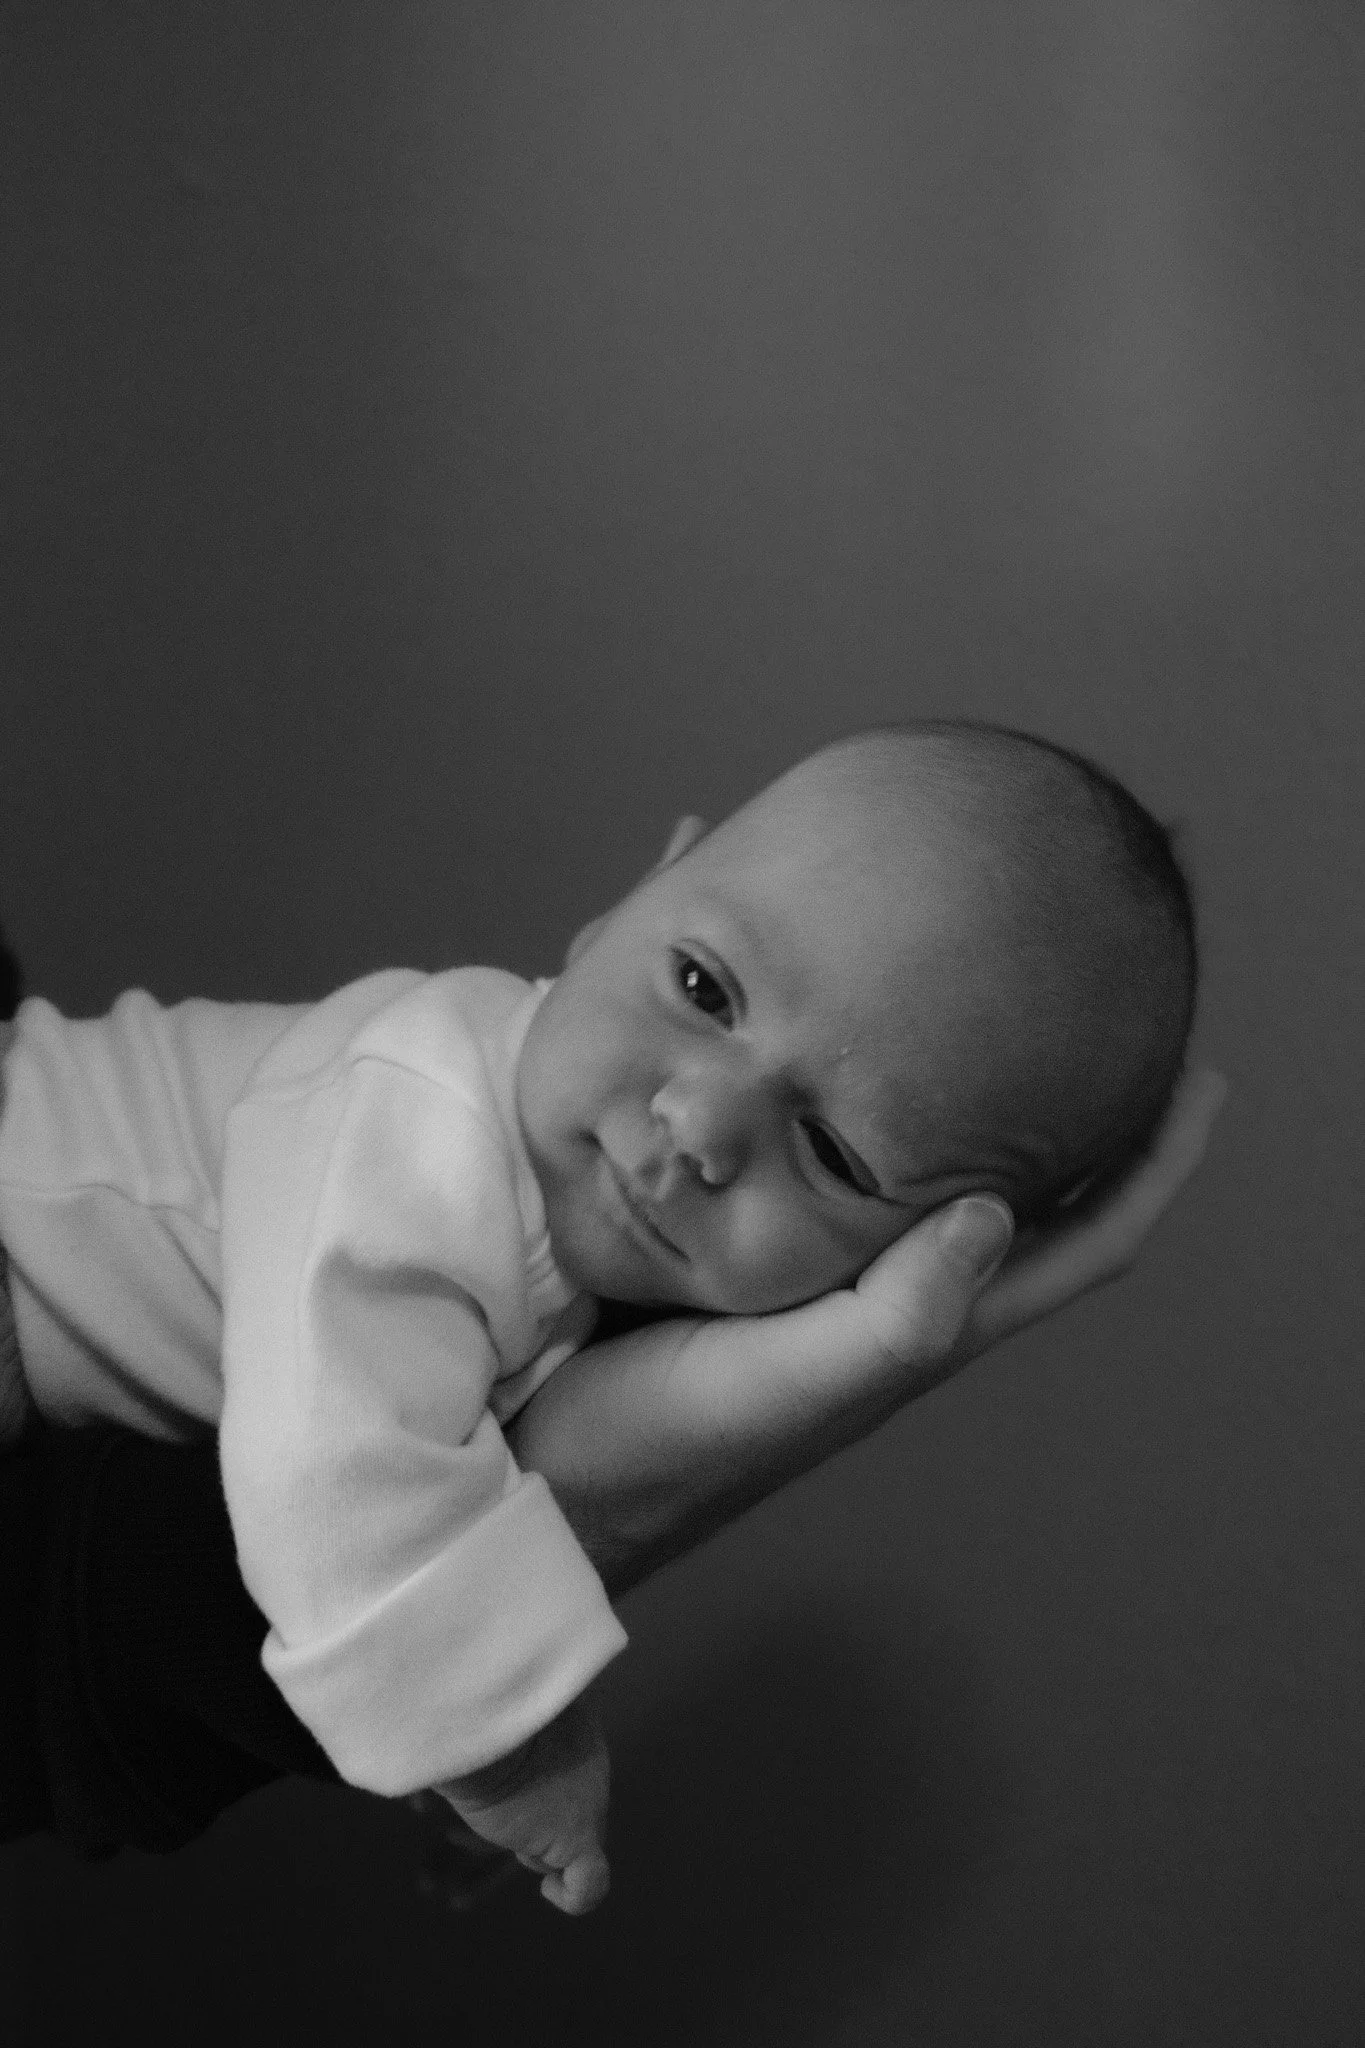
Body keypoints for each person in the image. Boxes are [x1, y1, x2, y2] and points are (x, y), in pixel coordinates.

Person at [0, 717, 1220, 1912]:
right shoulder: (422, 1112)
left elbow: (409, 1501)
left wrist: (465, 1704)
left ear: (922, 1244)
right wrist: (508, 1743)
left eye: (837, 1153)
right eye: (703, 986)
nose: (698, 1125)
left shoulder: (570, 1253)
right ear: (630, 893)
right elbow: (325, 1477)